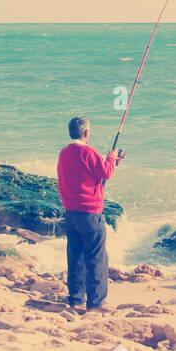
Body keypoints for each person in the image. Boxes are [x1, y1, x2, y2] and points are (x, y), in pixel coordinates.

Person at [55, 116, 124, 310]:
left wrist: (112, 160)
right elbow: (106, 173)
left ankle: (76, 299)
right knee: (96, 256)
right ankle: (97, 302)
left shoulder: (64, 153)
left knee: (75, 255)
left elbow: (88, 173)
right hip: (90, 212)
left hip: (71, 211)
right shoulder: (88, 152)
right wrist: (111, 157)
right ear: (86, 133)